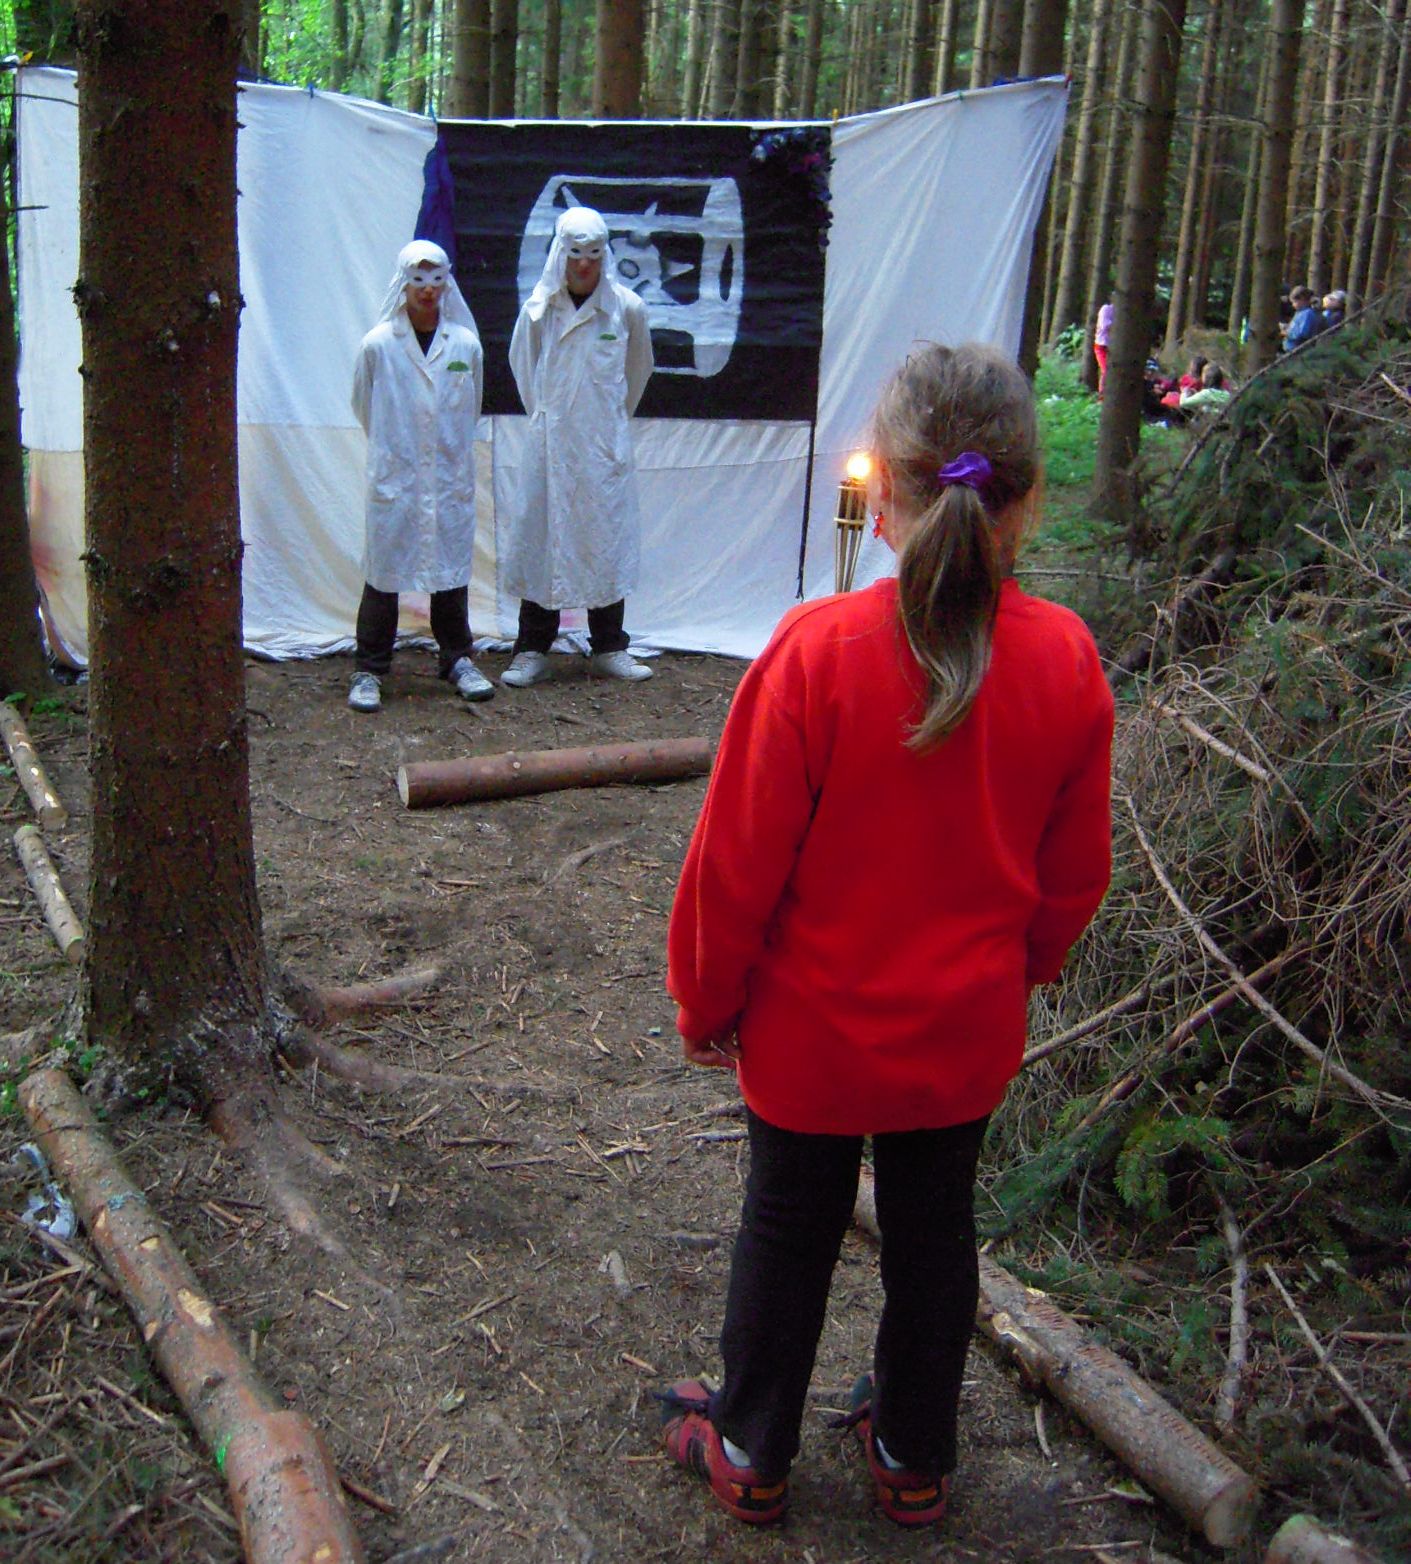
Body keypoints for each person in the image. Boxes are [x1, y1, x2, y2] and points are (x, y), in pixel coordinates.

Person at [656, 344, 1114, 1529]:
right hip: (961, 1036)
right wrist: (1016, 972)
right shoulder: (1065, 659)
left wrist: (705, 1001)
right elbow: (1074, 878)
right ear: (1027, 500)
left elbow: (731, 869)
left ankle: (751, 1447)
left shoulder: (813, 654)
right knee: (933, 1233)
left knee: (786, 1226)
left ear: (887, 495)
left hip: (811, 1041)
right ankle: (914, 1455)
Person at [501, 206, 655, 688]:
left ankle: (610, 645)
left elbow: (638, 372)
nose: (584, 264)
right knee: (543, 542)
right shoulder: (539, 311)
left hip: (602, 447)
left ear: (605, 254)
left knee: (604, 541)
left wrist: (604, 425)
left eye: (593, 253)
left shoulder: (627, 309)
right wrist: (553, 421)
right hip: (551, 446)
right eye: (575, 253)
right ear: (559, 254)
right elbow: (523, 369)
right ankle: (531, 647)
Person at [348, 240, 492, 713]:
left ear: (447, 283)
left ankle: (457, 658)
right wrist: (397, 452)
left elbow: (472, 405)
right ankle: (370, 667)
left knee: (449, 571)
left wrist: (441, 451)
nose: (427, 290)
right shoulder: (378, 345)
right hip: (397, 479)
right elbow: (363, 405)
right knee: (384, 574)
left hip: (447, 477)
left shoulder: (465, 345)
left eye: (436, 280)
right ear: (403, 283)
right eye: (418, 280)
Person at [1093, 298, 1114, 396]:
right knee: (1106, 370)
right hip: (1101, 345)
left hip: (1112, 346)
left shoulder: (1117, 310)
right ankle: (1102, 394)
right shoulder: (1106, 309)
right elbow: (1104, 325)